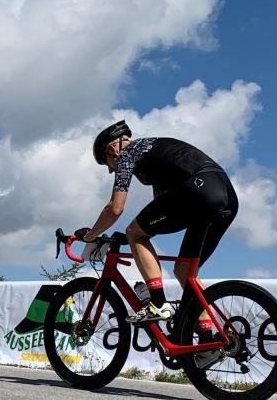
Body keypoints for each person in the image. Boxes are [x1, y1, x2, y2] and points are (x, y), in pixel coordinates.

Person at [77, 120, 238, 346]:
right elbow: (161, 212)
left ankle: (158, 303)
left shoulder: (128, 154)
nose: (111, 169)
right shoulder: (154, 156)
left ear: (113, 148)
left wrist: (90, 236)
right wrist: (132, 236)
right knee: (184, 271)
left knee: (135, 231)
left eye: (107, 162)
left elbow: (115, 209)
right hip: (224, 195)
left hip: (198, 190)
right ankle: (206, 341)